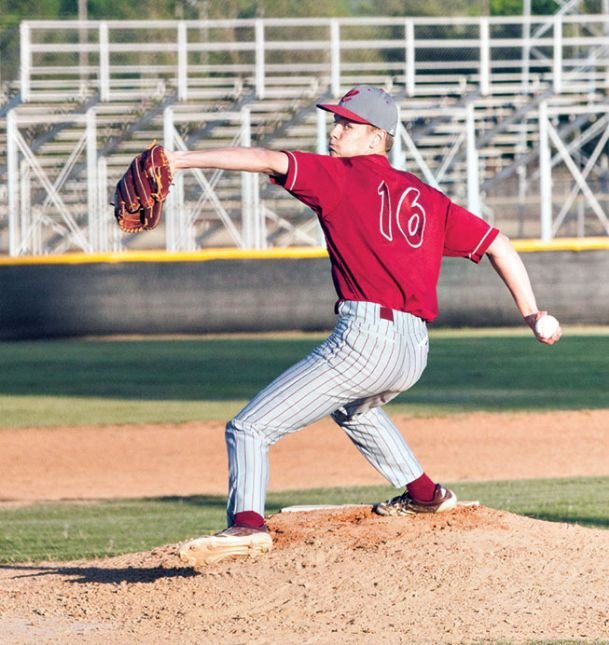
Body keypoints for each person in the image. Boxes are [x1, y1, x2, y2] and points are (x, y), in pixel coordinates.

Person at [168, 85, 561, 568]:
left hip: (364, 339)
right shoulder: (429, 199)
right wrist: (531, 312)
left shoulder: (340, 177)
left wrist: (180, 160)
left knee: (249, 427)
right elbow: (499, 244)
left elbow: (267, 158)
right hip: (414, 350)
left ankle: (247, 525)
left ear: (377, 138)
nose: (335, 133)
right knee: (354, 410)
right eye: (336, 122)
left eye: (347, 125)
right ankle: (426, 494)